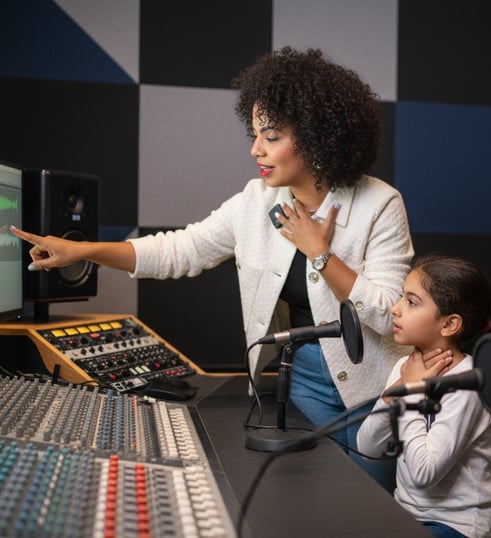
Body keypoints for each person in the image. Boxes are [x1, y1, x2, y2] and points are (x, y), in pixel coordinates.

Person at [11, 47, 413, 490]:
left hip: (377, 388)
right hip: (300, 386)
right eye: (255, 133)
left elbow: (392, 315)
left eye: (271, 136)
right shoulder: (254, 202)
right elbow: (180, 250)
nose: (255, 148)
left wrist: (320, 254)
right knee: (316, 500)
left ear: (318, 137)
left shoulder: (381, 203)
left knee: (372, 510)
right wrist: (84, 252)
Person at [357, 254, 491, 538]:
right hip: (408, 515)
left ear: (449, 325)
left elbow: (424, 474)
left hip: (460, 525)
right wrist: (393, 394)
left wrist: (409, 393)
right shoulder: (406, 368)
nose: (395, 309)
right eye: (401, 297)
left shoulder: (469, 382)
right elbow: (367, 448)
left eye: (411, 302)